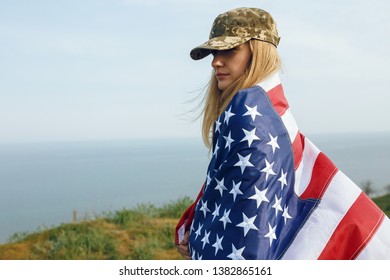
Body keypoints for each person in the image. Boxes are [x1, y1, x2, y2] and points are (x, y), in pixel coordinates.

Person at [175, 7, 390, 260]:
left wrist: (204, 240)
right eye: (214, 52)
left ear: (259, 52)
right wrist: (201, 226)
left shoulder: (251, 119)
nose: (215, 62)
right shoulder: (271, 111)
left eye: (230, 50)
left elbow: (249, 241)